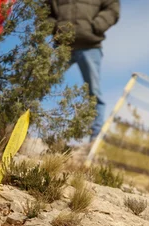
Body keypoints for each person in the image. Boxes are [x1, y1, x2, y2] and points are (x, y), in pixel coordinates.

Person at [45, 0, 120, 141]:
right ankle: (22, 132)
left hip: (90, 45)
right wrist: (55, 28)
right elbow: (45, 10)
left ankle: (95, 139)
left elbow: (112, 8)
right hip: (62, 45)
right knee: (39, 86)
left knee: (94, 93)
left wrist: (96, 25)